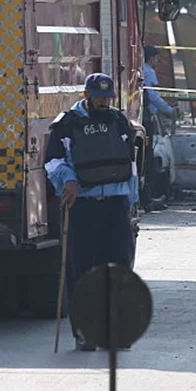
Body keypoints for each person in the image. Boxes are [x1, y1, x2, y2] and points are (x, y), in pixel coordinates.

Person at [44, 73, 139, 351]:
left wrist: (132, 201)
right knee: (82, 270)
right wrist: (67, 181)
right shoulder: (67, 124)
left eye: (107, 98)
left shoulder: (118, 121)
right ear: (86, 95)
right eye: (98, 97)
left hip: (116, 205)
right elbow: (53, 161)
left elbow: (130, 164)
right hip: (83, 207)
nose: (103, 102)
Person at [139, 44, 172, 212]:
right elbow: (153, 96)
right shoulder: (149, 71)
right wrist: (169, 110)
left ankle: (146, 196)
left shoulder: (141, 69)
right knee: (148, 159)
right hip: (146, 119)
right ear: (151, 57)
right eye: (156, 57)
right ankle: (148, 197)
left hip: (142, 116)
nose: (157, 61)